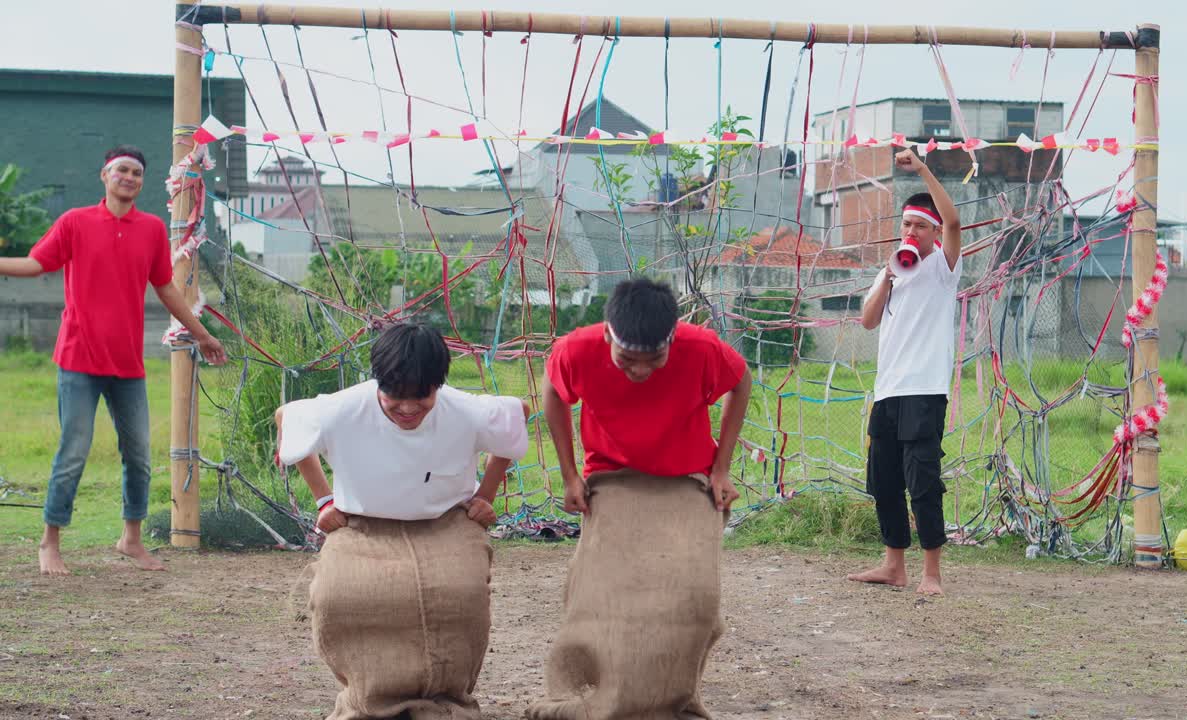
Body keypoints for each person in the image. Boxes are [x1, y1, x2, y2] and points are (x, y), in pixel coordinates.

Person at [274, 321, 529, 720]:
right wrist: (324, 500)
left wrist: (486, 495)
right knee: (338, 598)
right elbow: (285, 417)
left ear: (438, 387)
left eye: (421, 397)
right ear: (378, 382)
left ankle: (446, 698)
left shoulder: (463, 409)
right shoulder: (342, 409)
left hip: (445, 523)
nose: (408, 408)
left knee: (462, 596)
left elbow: (518, 415)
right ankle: (368, 699)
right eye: (396, 396)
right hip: (362, 525)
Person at [526, 277, 752, 720]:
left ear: (673, 337)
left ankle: (673, 691)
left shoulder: (702, 347)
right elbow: (553, 393)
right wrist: (571, 476)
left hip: (686, 478)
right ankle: (597, 687)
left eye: (655, 359)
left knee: (695, 596)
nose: (641, 370)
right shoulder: (577, 348)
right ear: (608, 333)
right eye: (628, 360)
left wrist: (721, 468)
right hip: (613, 478)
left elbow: (740, 382)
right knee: (601, 589)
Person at [0, 145, 227, 576]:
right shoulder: (75, 222)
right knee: (73, 453)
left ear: (142, 182)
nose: (129, 177)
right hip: (78, 360)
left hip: (128, 365)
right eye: (121, 170)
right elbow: (35, 263)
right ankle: (49, 542)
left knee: (139, 455)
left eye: (137, 173)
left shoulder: (152, 230)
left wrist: (202, 335)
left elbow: (166, 288)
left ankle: (131, 539)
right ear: (105, 175)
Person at [849, 148, 963, 596]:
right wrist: (890, 277)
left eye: (920, 225)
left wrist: (922, 169)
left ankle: (931, 573)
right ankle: (893, 565)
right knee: (885, 481)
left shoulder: (943, 266)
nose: (911, 232)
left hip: (925, 390)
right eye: (906, 225)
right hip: (888, 392)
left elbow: (955, 224)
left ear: (933, 230)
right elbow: (868, 320)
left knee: (923, 482)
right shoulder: (892, 267)